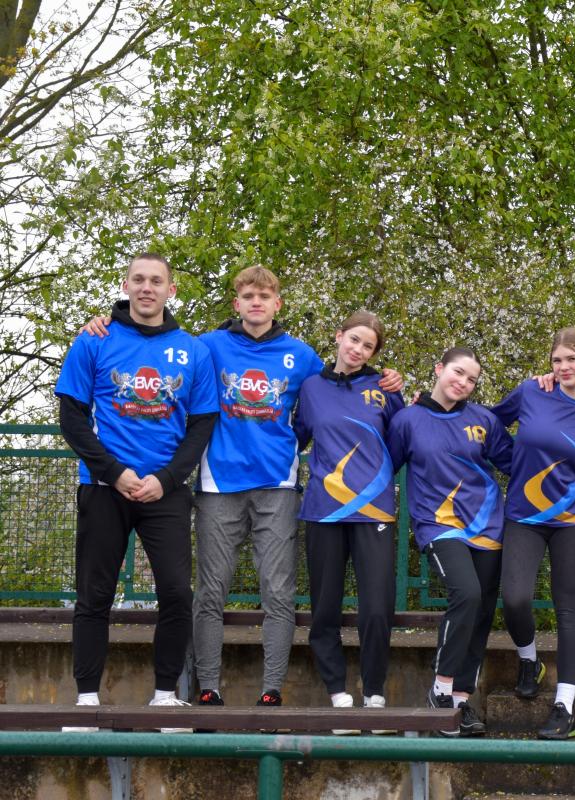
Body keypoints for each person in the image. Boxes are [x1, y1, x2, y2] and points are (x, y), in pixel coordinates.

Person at [78, 266, 403, 709]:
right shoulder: (206, 346)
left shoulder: (302, 356)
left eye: (264, 297)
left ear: (277, 304)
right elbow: (157, 347)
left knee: (278, 595)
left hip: (278, 485)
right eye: (248, 296)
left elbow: (339, 383)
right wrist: (104, 322)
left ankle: (272, 689)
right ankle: (209, 687)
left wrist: (387, 379)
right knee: (210, 592)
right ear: (237, 303)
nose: (256, 303)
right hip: (218, 486)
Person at [55, 252, 218, 731]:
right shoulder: (94, 339)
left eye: (156, 281)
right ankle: (86, 702)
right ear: (126, 286)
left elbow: (202, 424)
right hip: (104, 488)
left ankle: (165, 697)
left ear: (171, 290)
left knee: (176, 592)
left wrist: (165, 479)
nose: (147, 288)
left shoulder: (193, 350)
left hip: (165, 492)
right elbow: (71, 418)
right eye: (139, 279)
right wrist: (113, 472)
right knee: (94, 595)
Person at [385, 347, 513, 737]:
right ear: (439, 368)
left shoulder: (484, 419)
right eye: (458, 372)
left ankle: (460, 700)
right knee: (466, 594)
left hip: (488, 525)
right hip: (438, 525)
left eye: (472, 379)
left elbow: (516, 463)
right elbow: (383, 468)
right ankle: (440, 691)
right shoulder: (407, 420)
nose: (463, 382)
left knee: (481, 612)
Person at [491, 327, 575, 739]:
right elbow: (488, 422)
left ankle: (564, 707)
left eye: (572, 359)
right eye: (557, 360)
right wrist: (514, 464)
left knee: (567, 610)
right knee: (515, 598)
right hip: (524, 515)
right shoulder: (532, 391)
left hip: (573, 519)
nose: (563, 367)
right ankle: (529, 660)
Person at [293, 311, 404, 733]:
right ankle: (338, 694)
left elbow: (403, 442)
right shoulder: (311, 388)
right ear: (339, 336)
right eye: (354, 340)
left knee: (376, 607)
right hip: (323, 511)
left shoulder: (385, 389)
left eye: (368, 346)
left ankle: (374, 694)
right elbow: (295, 438)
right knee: (325, 608)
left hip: (374, 511)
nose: (358, 350)